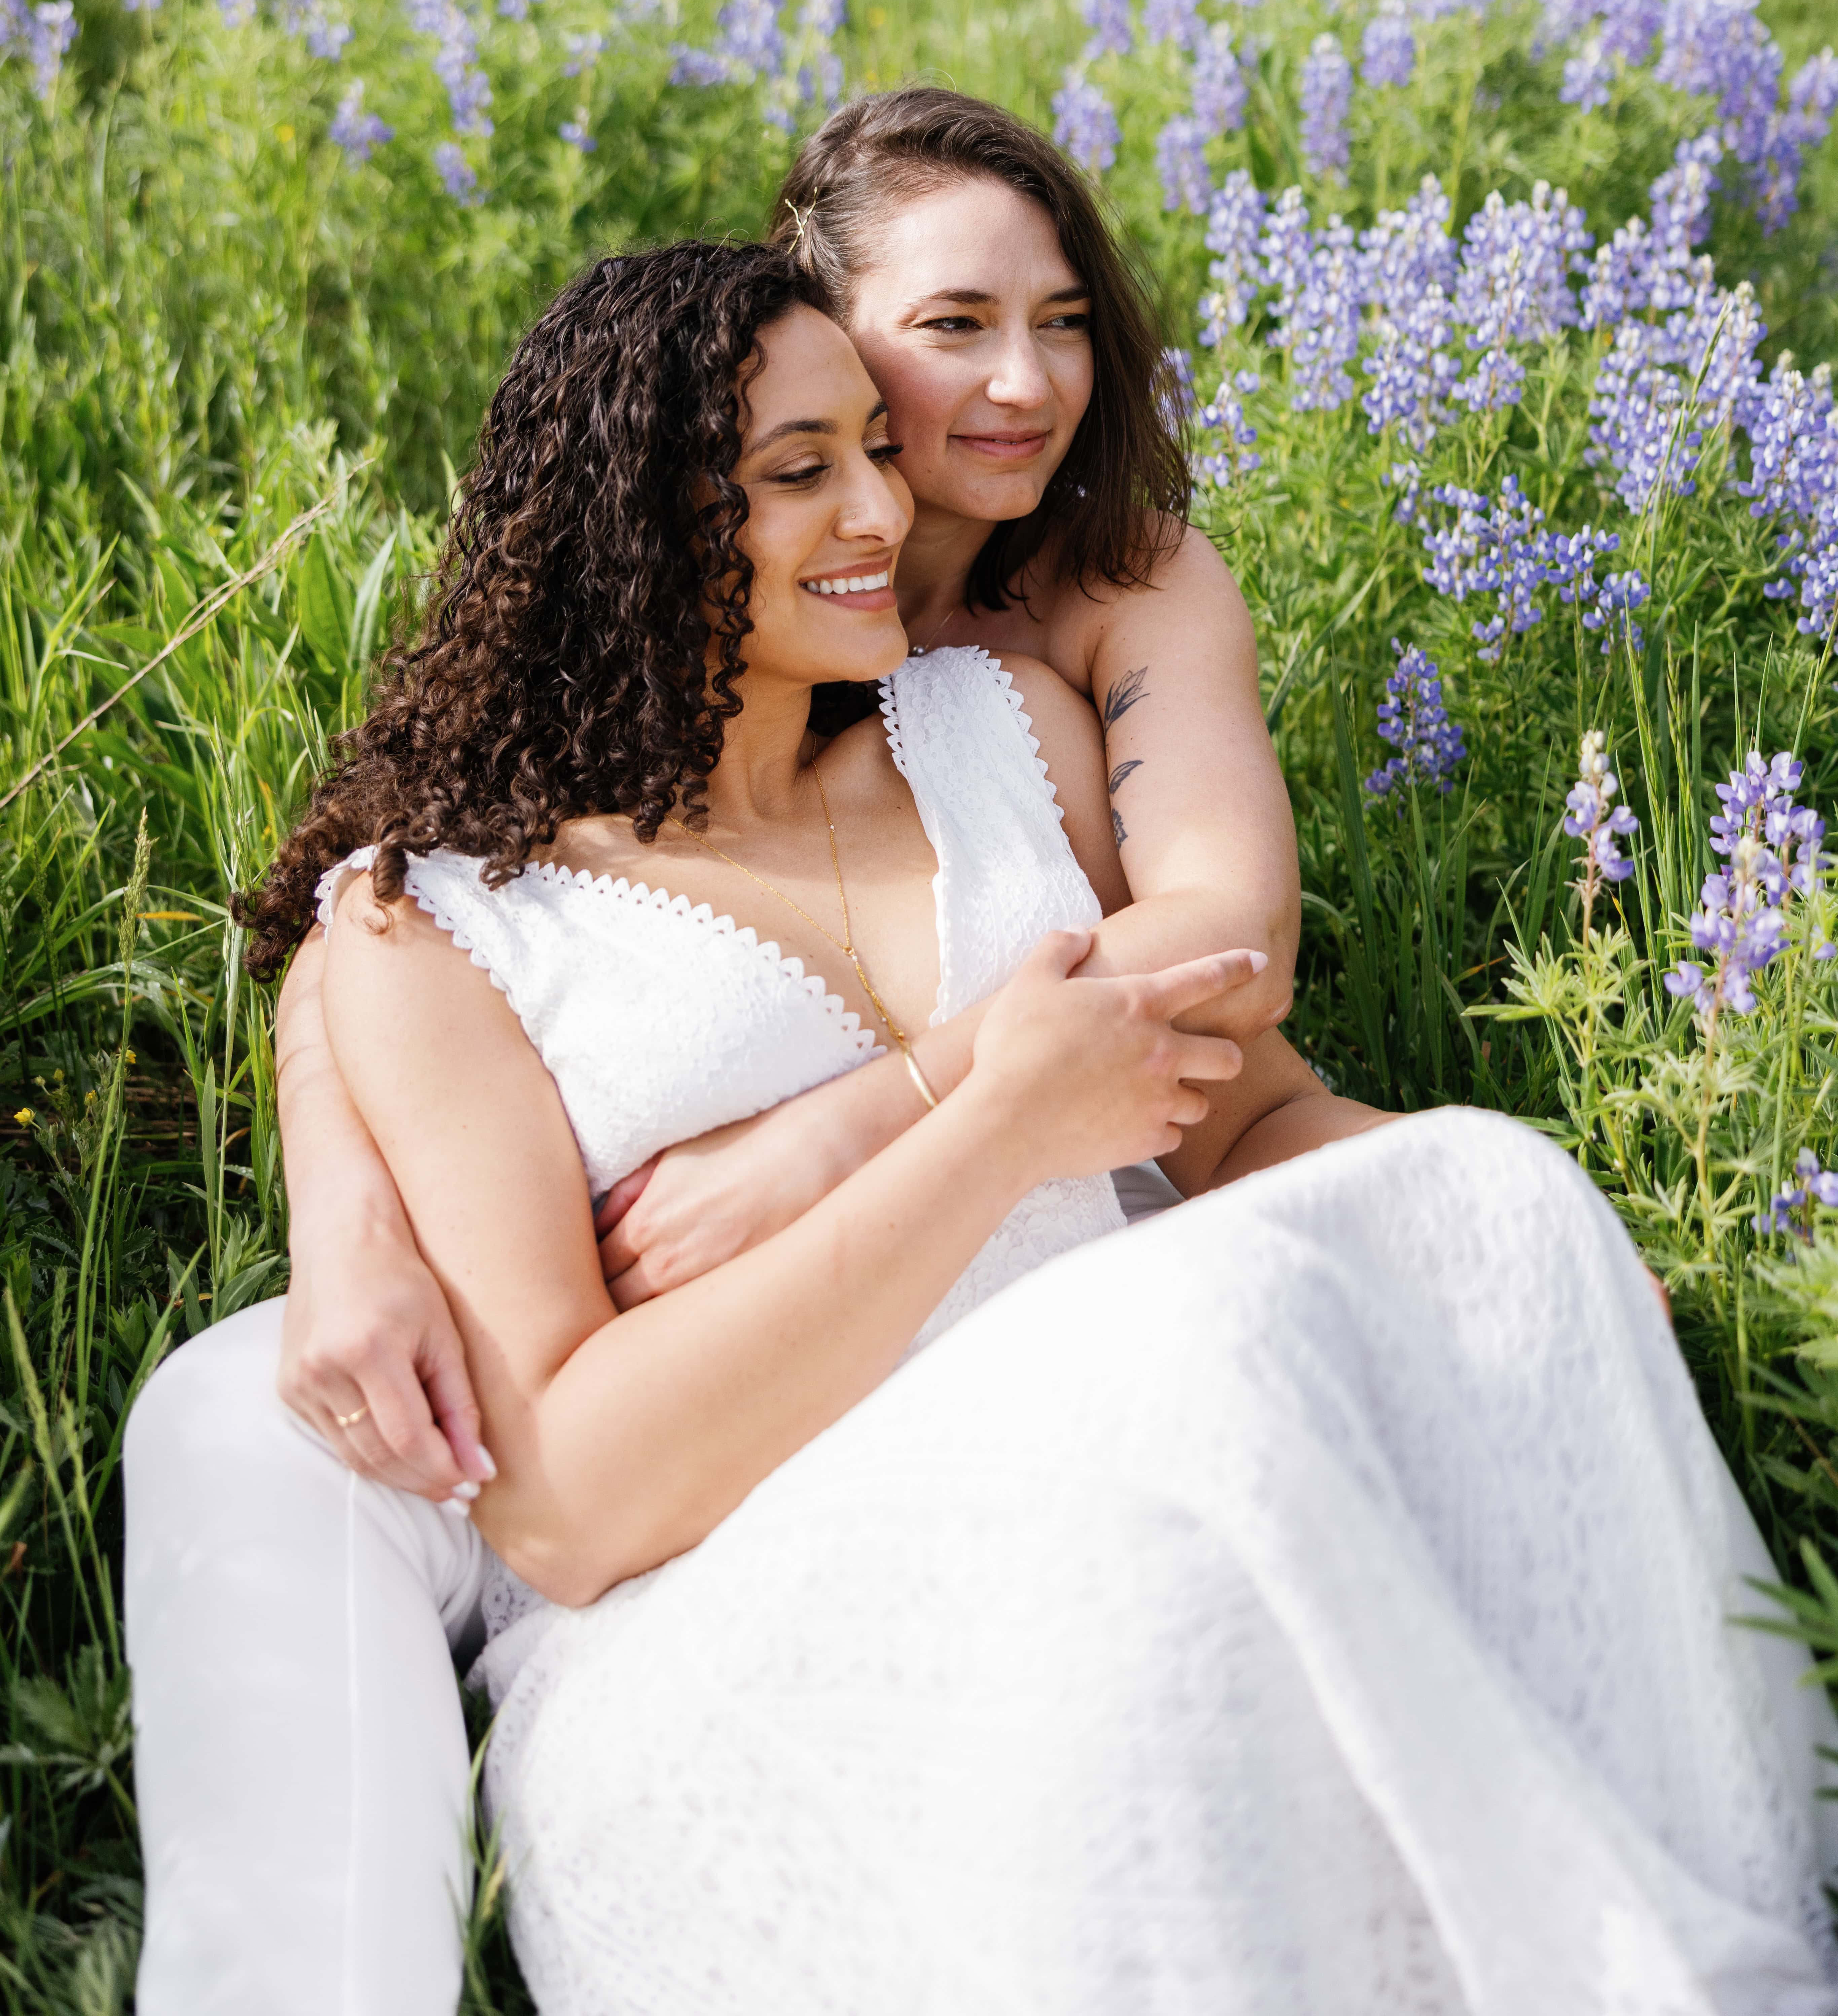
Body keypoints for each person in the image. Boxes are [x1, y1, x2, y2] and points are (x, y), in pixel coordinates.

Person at [128, 242, 1838, 2016]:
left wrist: (1493, 1224)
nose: (882, 503)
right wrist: (993, 1117)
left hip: (1147, 1437)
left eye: (878, 442)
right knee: (1197, 1350)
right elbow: (571, 1502)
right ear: (629, 525)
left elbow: (1236, 1125)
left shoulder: (998, 732)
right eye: (800, 472)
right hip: (731, 1631)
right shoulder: (444, 925)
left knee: (1480, 1187)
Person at [275, 86, 1321, 1500]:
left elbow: (1229, 945)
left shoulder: (1079, 623)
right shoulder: (617, 676)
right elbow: (385, 921)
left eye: (1063, 319)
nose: (1025, 381)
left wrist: (849, 1119)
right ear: (812, 324)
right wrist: (343, 1218)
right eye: (954, 325)